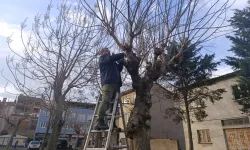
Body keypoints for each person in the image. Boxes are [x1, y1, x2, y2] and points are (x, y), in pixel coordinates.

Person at [94, 48, 125, 130]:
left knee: (114, 104)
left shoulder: (112, 62)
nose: (108, 52)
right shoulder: (103, 58)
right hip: (108, 83)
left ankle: (112, 123)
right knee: (106, 100)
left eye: (108, 51)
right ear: (102, 52)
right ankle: (99, 121)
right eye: (106, 51)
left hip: (116, 84)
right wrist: (123, 54)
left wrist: (121, 62)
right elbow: (111, 58)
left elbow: (119, 69)